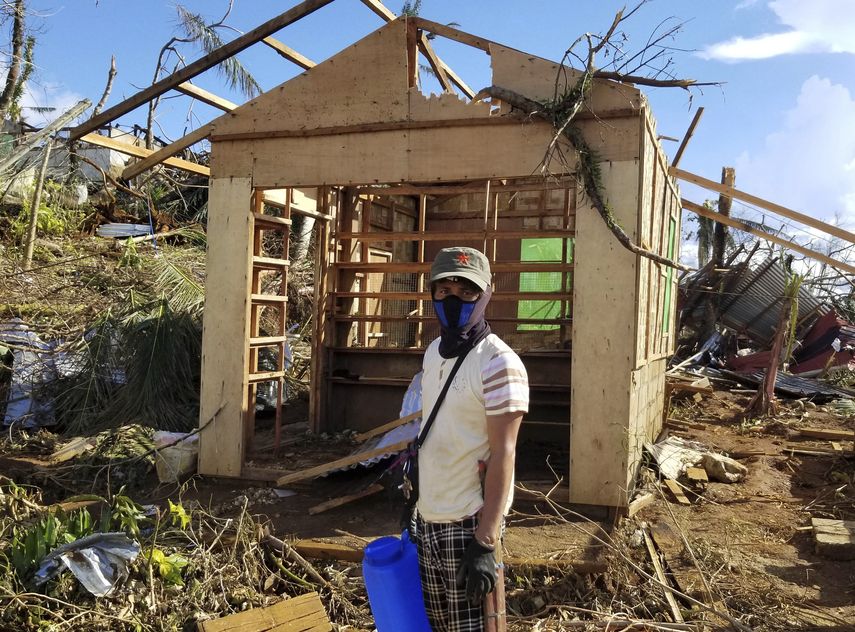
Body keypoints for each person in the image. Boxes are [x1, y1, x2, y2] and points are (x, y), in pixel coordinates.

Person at [415, 246, 529, 632]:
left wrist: (485, 541)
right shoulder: (433, 354)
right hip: (429, 520)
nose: (453, 300)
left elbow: (504, 454)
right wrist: (417, 500)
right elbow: (436, 431)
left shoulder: (499, 363)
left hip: (467, 527)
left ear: (487, 294)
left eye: (467, 292)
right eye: (443, 290)